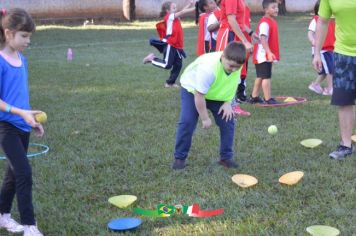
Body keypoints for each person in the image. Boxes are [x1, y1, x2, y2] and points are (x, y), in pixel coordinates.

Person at [0, 8, 44, 236]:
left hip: (22, 125)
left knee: (13, 174)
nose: (28, 41)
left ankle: (2, 215)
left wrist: (31, 119)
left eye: (29, 37)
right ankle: (29, 225)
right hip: (5, 127)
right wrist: (19, 113)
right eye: (24, 36)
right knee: (24, 173)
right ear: (8, 34)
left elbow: (20, 94)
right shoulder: (0, 62)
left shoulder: (22, 60)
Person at [172, 42, 246, 170]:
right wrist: (205, 118)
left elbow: (233, 85)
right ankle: (179, 159)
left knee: (228, 121)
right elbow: (199, 96)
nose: (234, 69)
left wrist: (228, 103)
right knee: (187, 122)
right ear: (223, 57)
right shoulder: (208, 68)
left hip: (215, 94)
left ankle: (225, 158)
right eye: (231, 66)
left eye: (237, 67)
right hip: (192, 90)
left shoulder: (236, 66)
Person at [313, 0, 356, 160]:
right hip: (343, 54)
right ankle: (346, 145)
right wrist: (317, 52)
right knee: (344, 100)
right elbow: (323, 21)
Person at [143, 1, 196, 88]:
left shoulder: (175, 17)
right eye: (173, 8)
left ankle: (170, 83)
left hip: (177, 46)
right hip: (170, 44)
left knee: (178, 65)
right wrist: (195, 8)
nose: (176, 10)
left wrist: (190, 4)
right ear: (168, 10)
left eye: (175, 8)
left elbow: (182, 11)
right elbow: (182, 12)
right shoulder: (169, 17)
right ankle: (151, 59)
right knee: (167, 65)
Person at [215, 0, 254, 116]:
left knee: (234, 70)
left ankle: (231, 104)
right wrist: (245, 41)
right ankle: (230, 105)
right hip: (229, 34)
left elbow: (239, 21)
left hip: (234, 34)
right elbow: (231, 20)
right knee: (228, 69)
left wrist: (250, 33)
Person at [250, 0, 280, 104]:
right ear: (266, 10)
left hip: (263, 55)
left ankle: (254, 97)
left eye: (276, 7)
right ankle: (268, 99)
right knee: (266, 77)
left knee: (260, 76)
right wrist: (268, 52)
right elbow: (262, 38)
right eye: (273, 7)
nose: (276, 9)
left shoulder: (271, 21)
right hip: (263, 55)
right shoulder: (265, 23)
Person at [307, 0, 335, 96]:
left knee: (326, 70)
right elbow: (310, 33)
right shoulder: (316, 20)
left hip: (330, 48)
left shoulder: (331, 20)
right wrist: (313, 41)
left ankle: (315, 85)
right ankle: (330, 89)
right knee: (330, 69)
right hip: (322, 50)